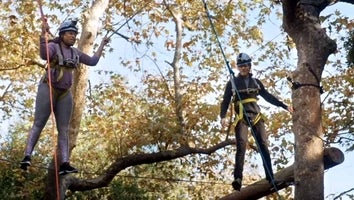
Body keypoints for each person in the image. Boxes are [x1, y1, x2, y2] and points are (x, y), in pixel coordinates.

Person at [20, 18, 109, 175]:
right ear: (62, 35)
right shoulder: (54, 47)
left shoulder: (75, 53)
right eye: (70, 33)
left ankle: (65, 164)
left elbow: (93, 61)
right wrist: (43, 34)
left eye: (75, 34)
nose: (73, 36)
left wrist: (102, 43)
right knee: (39, 123)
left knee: (64, 129)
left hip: (64, 94)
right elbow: (43, 55)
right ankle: (27, 155)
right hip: (48, 88)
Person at [220, 53, 293, 191]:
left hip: (256, 116)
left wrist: (284, 106)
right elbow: (225, 101)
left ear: (250, 66)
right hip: (241, 117)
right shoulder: (232, 83)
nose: (243, 68)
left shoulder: (257, 83)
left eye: (246, 65)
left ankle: (271, 179)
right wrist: (223, 116)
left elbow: (268, 97)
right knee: (241, 144)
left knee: (264, 145)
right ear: (238, 67)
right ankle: (238, 178)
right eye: (241, 66)